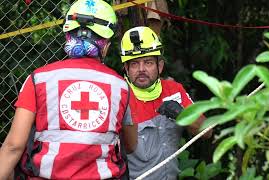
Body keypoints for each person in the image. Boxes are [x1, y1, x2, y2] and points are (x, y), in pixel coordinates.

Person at [0, 0, 137, 179]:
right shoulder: (121, 87)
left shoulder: (38, 79)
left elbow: (14, 146)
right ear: (106, 45)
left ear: (67, 36)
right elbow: (131, 145)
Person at [119, 26, 212, 180]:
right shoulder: (119, 96)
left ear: (160, 66)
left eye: (148, 62)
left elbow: (206, 132)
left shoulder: (174, 90)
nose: (141, 69)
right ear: (126, 68)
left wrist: (181, 114)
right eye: (134, 64)